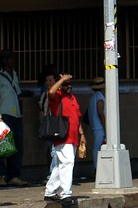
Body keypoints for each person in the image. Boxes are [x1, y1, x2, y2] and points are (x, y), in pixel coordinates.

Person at [43, 73, 86, 201]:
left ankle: (50, 191)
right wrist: (61, 80)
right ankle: (66, 193)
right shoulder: (57, 97)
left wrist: (82, 134)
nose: (69, 86)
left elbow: (77, 118)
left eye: (70, 84)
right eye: (66, 84)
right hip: (63, 136)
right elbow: (50, 92)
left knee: (59, 165)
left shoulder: (73, 98)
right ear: (61, 86)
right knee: (68, 163)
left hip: (73, 137)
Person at [0, 48, 28, 188]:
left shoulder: (15, 75)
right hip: (4, 114)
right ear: (5, 60)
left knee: (17, 146)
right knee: (2, 144)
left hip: (16, 114)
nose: (13, 61)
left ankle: (14, 175)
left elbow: (18, 94)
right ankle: (0, 175)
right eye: (11, 58)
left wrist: (21, 112)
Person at [87, 77, 107, 168]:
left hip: (95, 126)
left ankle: (97, 167)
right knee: (98, 148)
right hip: (100, 127)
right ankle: (97, 168)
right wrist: (105, 126)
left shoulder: (93, 97)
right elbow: (100, 112)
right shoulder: (100, 97)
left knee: (97, 147)